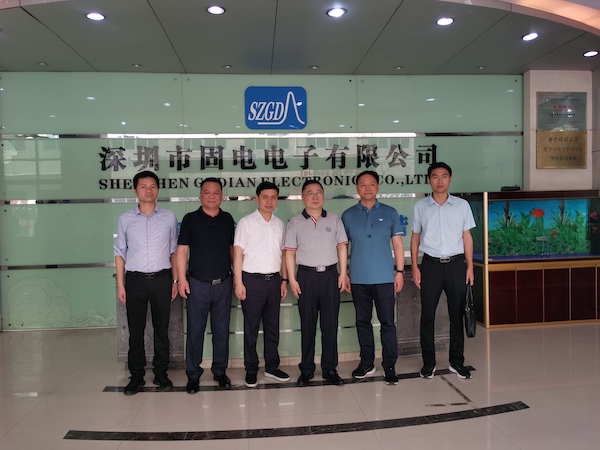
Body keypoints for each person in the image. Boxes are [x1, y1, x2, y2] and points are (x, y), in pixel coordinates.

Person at [114, 170, 179, 396]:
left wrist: (175, 280)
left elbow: (174, 251)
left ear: (157, 190)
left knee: (162, 328)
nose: (148, 190)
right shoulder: (125, 219)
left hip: (162, 279)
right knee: (136, 330)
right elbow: (120, 253)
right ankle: (136, 376)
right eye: (143, 186)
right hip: (135, 280)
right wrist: (121, 284)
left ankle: (161, 373)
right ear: (135, 191)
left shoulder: (169, 217)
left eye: (152, 186)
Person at [410, 162, 475, 380]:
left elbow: (467, 237)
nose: (440, 181)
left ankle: (457, 362)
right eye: (435, 176)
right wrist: (415, 266)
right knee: (427, 315)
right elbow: (415, 237)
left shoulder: (462, 206)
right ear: (429, 179)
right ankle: (429, 364)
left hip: (456, 265)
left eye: (444, 176)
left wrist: (470, 267)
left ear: (450, 179)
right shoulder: (421, 207)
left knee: (457, 316)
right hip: (431, 265)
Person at [341, 170, 405, 385]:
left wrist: (399, 272)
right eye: (362, 184)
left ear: (378, 187)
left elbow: (398, 245)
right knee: (363, 322)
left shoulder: (390, 212)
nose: (367, 188)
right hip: (358, 278)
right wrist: (344, 273)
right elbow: (343, 248)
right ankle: (367, 363)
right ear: (357, 188)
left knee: (388, 323)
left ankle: (389, 365)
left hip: (385, 278)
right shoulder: (348, 215)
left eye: (371, 184)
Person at [285, 179, 349, 387]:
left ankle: (330, 368)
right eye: (310, 193)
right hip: (306, 277)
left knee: (330, 325)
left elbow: (342, 247)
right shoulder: (295, 222)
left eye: (319, 192)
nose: (315, 197)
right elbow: (289, 253)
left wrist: (343, 273)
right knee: (308, 325)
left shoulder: (334, 219)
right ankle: (307, 369)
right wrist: (292, 279)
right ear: (303, 197)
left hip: (330, 276)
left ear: (323, 195)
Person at [176, 178, 235, 393]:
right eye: (207, 192)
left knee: (221, 331)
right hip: (197, 284)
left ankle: (220, 371)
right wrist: (181, 279)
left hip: (224, 284)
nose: (212, 196)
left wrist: (237, 277)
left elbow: (232, 250)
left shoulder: (227, 219)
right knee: (195, 331)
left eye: (216, 192)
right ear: (200, 195)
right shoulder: (190, 219)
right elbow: (182, 251)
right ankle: (193, 374)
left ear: (222, 196)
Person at [233, 182, 290, 388]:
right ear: (256, 198)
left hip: (274, 281)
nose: (269, 201)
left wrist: (284, 280)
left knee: (272, 326)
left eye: (273, 197)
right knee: (251, 327)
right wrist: (239, 282)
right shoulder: (246, 223)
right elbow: (238, 254)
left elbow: (283, 255)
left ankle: (272, 366)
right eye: (265, 197)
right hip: (252, 281)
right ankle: (251, 369)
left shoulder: (280, 224)